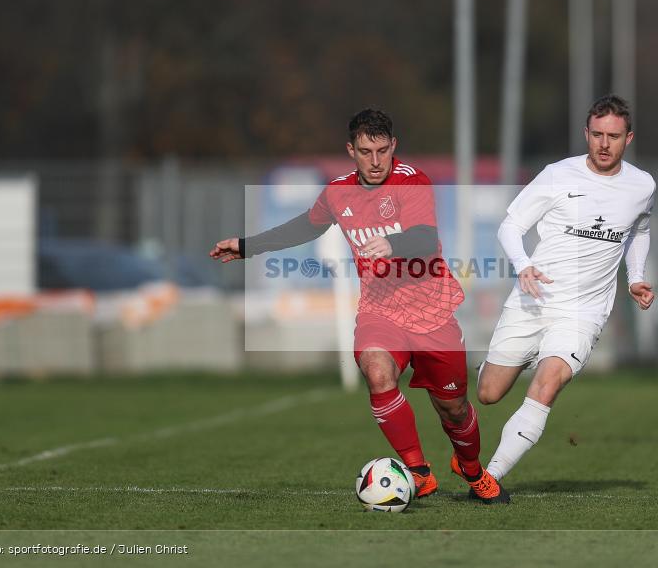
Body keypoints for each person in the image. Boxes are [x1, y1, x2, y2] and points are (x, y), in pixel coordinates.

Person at [210, 109, 509, 504]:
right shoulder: (337, 192)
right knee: (376, 369)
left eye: (382, 151)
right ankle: (418, 472)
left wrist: (392, 243)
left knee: (452, 407)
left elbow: (424, 237)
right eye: (366, 151)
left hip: (431, 311)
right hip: (379, 308)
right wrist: (248, 246)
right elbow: (304, 227)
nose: (375, 161)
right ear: (351, 150)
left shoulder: (412, 181)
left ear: (393, 147)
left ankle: (471, 469)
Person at [476, 95, 655, 487]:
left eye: (613, 136)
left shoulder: (642, 186)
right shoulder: (557, 175)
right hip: (534, 300)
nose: (604, 144)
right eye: (597, 135)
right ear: (585, 134)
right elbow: (510, 227)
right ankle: (522, 357)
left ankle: (489, 477)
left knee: (549, 382)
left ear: (629, 138)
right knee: (489, 393)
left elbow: (640, 228)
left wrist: (635, 276)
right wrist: (524, 267)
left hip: (584, 312)